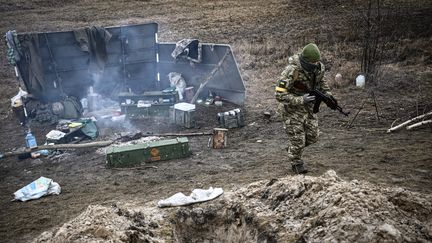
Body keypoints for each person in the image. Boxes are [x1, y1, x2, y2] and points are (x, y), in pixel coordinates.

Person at [275, 43, 336, 174]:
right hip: (291, 109)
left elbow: (321, 82)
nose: (315, 65)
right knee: (299, 140)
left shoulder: (319, 68)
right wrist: (301, 100)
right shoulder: (291, 71)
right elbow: (279, 94)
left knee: (313, 136)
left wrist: (328, 95)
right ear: (306, 60)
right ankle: (296, 162)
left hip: (308, 107)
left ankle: (294, 148)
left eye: (317, 62)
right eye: (313, 62)